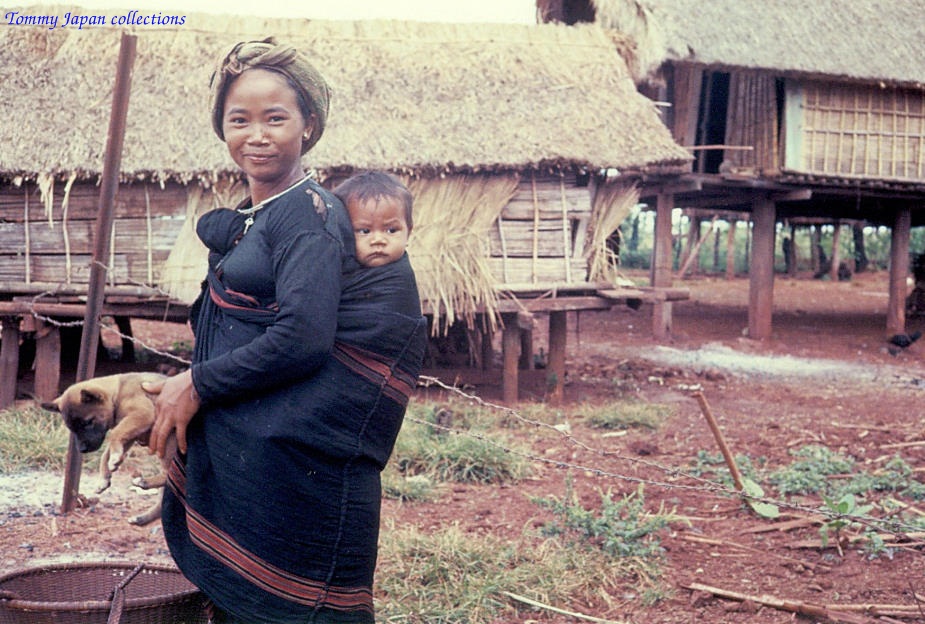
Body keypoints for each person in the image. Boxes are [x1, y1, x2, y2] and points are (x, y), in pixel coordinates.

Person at [145, 38, 427, 624]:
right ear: (221, 128)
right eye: (239, 119)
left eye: (277, 118)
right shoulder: (263, 212)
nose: (258, 134)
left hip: (298, 460)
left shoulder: (307, 215)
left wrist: (197, 384)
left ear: (309, 125)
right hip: (261, 454)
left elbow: (302, 337)